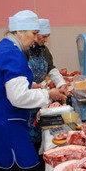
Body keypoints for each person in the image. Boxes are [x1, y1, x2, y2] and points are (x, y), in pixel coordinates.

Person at [0, 10, 67, 171]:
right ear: (20, 31)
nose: (36, 39)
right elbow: (18, 97)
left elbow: (5, 86)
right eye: (34, 33)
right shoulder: (12, 54)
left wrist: (30, 85)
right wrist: (48, 94)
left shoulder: (4, 48)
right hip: (7, 125)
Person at [26, 19, 67, 153]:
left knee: (40, 133)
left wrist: (61, 83)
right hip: (26, 97)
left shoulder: (45, 51)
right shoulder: (24, 51)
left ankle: (39, 159)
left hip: (41, 98)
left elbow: (51, 68)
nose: (45, 40)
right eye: (43, 37)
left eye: (47, 37)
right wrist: (32, 85)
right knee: (27, 139)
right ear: (35, 34)